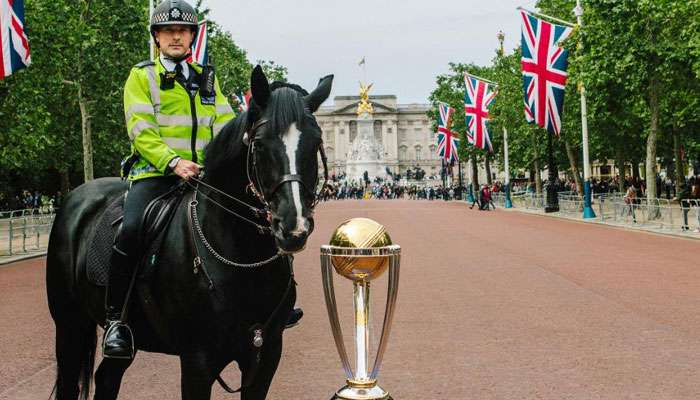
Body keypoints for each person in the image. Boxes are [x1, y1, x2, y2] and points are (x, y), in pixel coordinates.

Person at [102, 0, 235, 359]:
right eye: (168, 31)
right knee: (130, 230)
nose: (176, 36)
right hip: (156, 175)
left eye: (183, 30)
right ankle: (118, 320)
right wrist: (174, 161)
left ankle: (272, 303)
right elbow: (141, 130)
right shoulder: (141, 75)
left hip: (204, 179)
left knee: (255, 217)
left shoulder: (208, 78)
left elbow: (225, 126)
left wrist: (221, 163)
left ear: (192, 36)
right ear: (157, 37)